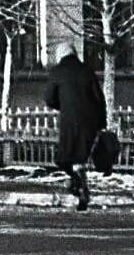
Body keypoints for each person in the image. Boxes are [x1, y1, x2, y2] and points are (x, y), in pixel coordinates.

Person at [44, 43, 107, 210]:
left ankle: (77, 183)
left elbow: (49, 99)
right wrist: (102, 122)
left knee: (63, 158)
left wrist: (63, 105)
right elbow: (99, 98)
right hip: (90, 121)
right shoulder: (87, 70)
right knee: (80, 156)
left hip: (69, 121)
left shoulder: (57, 72)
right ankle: (80, 186)